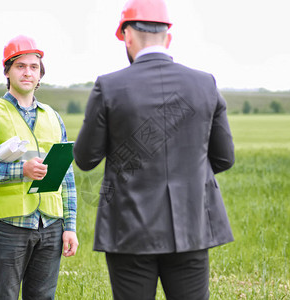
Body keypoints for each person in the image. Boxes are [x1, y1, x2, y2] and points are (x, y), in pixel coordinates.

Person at [73, 0, 235, 299]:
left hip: (128, 232)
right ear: (168, 37)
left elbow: (85, 159)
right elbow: (224, 158)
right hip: (192, 227)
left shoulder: (109, 86)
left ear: (128, 36)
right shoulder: (205, 84)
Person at [0, 35, 78, 300]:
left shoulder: (53, 116)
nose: (28, 72)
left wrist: (70, 226)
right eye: (20, 66)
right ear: (7, 71)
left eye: (34, 67)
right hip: (10, 225)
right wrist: (21, 170)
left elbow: (67, 176)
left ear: (40, 75)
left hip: (51, 224)